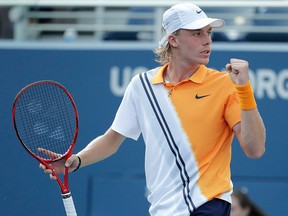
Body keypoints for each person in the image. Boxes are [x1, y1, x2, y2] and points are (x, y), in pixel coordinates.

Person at [40, 3, 266, 215]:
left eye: (208, 33)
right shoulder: (142, 86)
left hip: (208, 204)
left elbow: (255, 149)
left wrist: (244, 90)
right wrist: (76, 161)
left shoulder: (224, 84)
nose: (207, 40)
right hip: (163, 209)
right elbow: (112, 139)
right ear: (173, 40)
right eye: (197, 33)